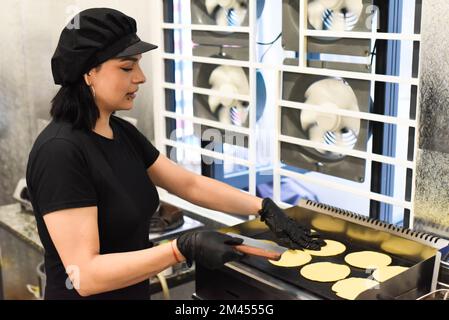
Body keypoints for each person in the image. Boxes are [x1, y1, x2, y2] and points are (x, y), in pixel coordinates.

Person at [26, 8, 324, 300]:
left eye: (139, 65)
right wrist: (179, 249)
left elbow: (188, 184)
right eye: (127, 67)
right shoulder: (60, 154)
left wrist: (265, 209)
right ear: (89, 73)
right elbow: (86, 277)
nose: (140, 77)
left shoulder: (119, 131)